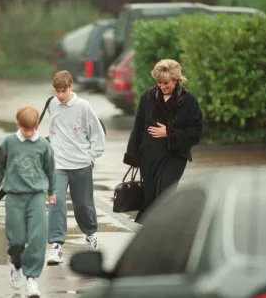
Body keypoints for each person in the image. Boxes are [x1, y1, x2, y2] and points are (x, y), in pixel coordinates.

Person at [0, 106, 56, 297]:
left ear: (36, 126)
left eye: (32, 129)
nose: (28, 133)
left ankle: (32, 279)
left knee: (37, 238)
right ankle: (16, 264)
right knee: (16, 239)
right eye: (25, 129)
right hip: (14, 196)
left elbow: (50, 168)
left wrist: (52, 191)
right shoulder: (9, 142)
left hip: (36, 195)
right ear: (18, 124)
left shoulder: (42, 145)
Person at [123, 59, 203, 223]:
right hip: (150, 158)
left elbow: (196, 131)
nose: (162, 86)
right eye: (159, 82)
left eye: (166, 83)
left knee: (165, 194)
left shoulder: (188, 100)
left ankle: (166, 229)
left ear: (176, 80)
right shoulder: (148, 97)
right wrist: (133, 156)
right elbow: (138, 127)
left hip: (175, 157)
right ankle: (152, 233)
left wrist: (169, 132)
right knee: (151, 197)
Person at [46, 70, 105, 264]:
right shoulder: (52, 104)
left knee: (83, 205)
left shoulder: (84, 107)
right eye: (57, 91)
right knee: (57, 202)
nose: (60, 95)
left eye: (63, 90)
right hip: (58, 163)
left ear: (71, 87)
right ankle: (56, 246)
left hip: (81, 163)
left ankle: (90, 235)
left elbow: (97, 133)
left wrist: (92, 157)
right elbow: (55, 129)